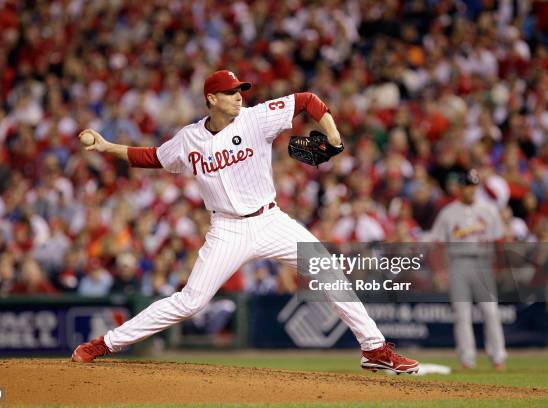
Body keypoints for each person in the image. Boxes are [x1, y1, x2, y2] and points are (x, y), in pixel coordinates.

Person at [71, 70, 419, 374]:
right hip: (227, 229)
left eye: (240, 91)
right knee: (191, 301)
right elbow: (149, 157)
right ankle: (106, 343)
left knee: (328, 270)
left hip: (270, 220)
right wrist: (106, 146)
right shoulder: (188, 139)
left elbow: (307, 101)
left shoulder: (255, 118)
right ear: (212, 98)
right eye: (231, 92)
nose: (239, 97)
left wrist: (333, 135)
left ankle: (374, 348)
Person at [429, 169, 507, 370]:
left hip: (483, 263)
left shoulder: (489, 210)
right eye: (467, 186)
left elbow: (499, 241)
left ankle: (498, 357)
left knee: (491, 311)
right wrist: (439, 271)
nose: (471, 190)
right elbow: (436, 244)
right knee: (462, 314)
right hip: (458, 264)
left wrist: (498, 265)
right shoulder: (448, 212)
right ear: (460, 188)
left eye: (474, 186)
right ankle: (467, 359)